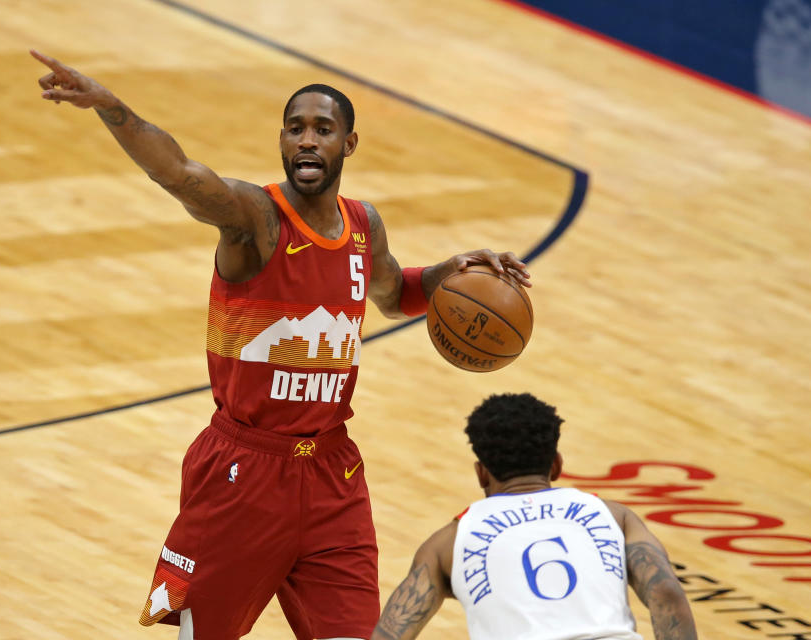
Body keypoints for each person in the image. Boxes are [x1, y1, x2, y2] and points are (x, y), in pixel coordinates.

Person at [30, 50, 532, 640]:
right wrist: (112, 108)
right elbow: (180, 173)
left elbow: (395, 295)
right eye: (295, 129)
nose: (307, 141)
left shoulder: (363, 226)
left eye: (323, 129)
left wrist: (453, 271)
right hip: (243, 470)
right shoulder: (255, 217)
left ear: (349, 144)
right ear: (282, 141)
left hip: (331, 473)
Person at [373, 393, 698, 640]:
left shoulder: (446, 544)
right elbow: (666, 593)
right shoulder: (614, 516)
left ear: (481, 474)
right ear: (556, 464)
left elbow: (390, 633)